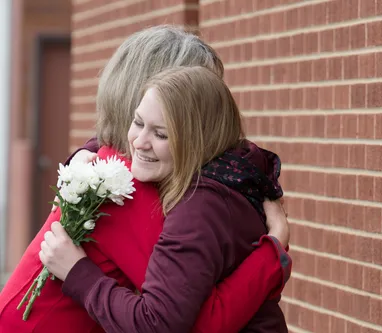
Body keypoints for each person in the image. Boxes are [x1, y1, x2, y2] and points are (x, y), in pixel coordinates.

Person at [0, 26, 290, 333]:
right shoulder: (125, 190)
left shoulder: (116, 165)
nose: (208, 108)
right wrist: (273, 252)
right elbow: (196, 324)